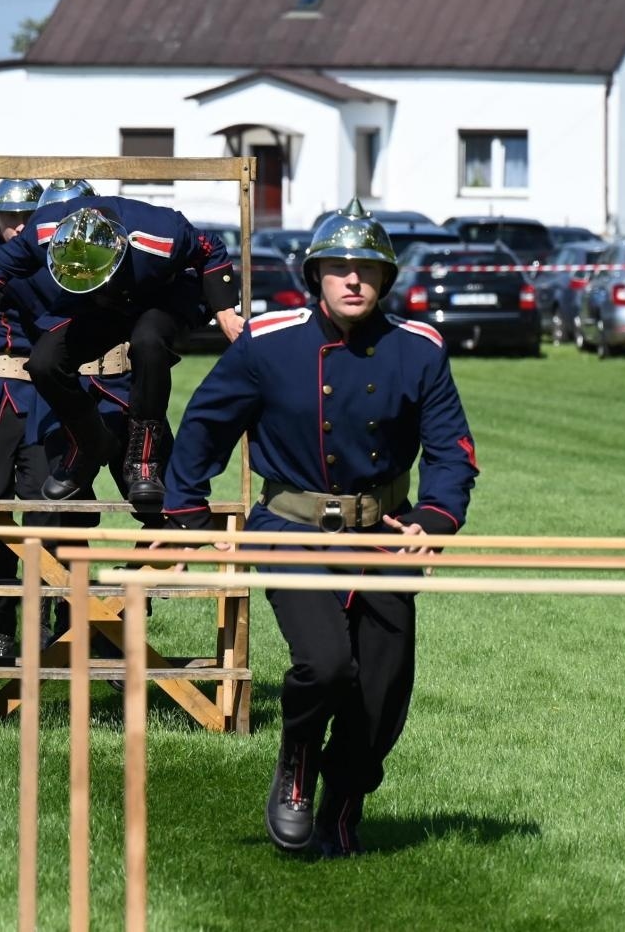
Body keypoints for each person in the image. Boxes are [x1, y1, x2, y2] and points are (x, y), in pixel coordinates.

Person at [161, 200, 479, 858]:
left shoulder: (417, 351)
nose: (352, 280)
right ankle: (298, 760)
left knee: (384, 692)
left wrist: (432, 517)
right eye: (338, 268)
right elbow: (204, 425)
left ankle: (344, 804)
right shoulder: (270, 342)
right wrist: (188, 511)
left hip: (385, 534)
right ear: (317, 276)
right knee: (327, 665)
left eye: (366, 269)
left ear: (385, 280)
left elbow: (452, 451)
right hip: (289, 529)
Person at [0, 193, 241, 510]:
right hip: (95, 299)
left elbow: (210, 247)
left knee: (148, 342)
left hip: (159, 294)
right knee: (45, 362)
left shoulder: (160, 235)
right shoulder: (43, 232)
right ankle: (90, 442)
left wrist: (225, 313)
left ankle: (143, 462)